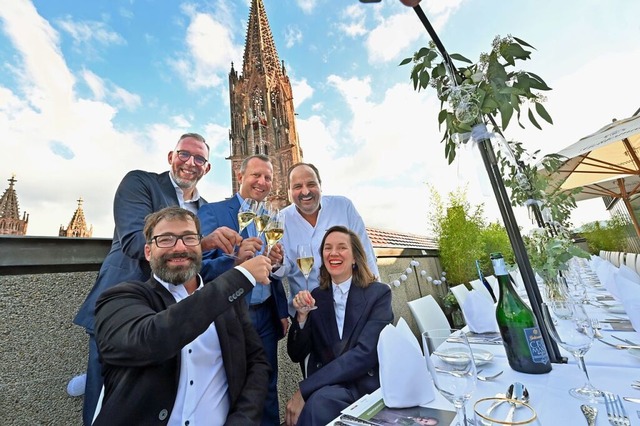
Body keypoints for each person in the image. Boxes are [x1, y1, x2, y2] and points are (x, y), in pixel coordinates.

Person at [73, 133, 241, 425]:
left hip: (174, 321)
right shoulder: (141, 183)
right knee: (105, 402)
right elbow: (135, 243)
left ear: (207, 168)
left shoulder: (206, 210)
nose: (190, 163)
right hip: (123, 311)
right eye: (184, 154)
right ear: (170, 157)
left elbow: (202, 269)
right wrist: (204, 243)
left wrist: (240, 261)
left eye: (199, 158)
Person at [92, 207, 272, 425]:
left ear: (200, 246)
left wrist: (242, 420)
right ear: (148, 252)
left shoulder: (230, 304)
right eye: (166, 239)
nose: (179, 247)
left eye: (189, 238)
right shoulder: (121, 298)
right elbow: (151, 340)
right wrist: (240, 276)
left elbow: (257, 363)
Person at [197, 154, 289, 425]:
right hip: (232, 316)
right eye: (256, 175)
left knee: (268, 385)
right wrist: (235, 258)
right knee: (235, 390)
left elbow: (269, 272)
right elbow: (198, 266)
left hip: (266, 316)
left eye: (268, 178)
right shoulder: (214, 211)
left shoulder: (270, 217)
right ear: (240, 176)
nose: (262, 182)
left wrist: (275, 263)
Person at [284, 226, 393, 426]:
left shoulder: (378, 294)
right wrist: (301, 318)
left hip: (364, 386)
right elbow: (296, 354)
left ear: (354, 258)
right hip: (330, 387)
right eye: (327, 248)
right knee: (319, 402)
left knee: (317, 403)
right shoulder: (317, 297)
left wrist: (305, 389)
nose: (333, 253)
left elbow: (365, 354)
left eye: (342, 247)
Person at [280, 162, 379, 316]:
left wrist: (377, 298)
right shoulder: (281, 219)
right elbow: (282, 270)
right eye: (297, 186)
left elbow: (365, 253)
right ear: (289, 192)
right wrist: (277, 262)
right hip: (306, 312)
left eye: (311, 184)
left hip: (350, 306)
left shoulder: (343, 206)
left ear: (320, 185)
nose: (305, 191)